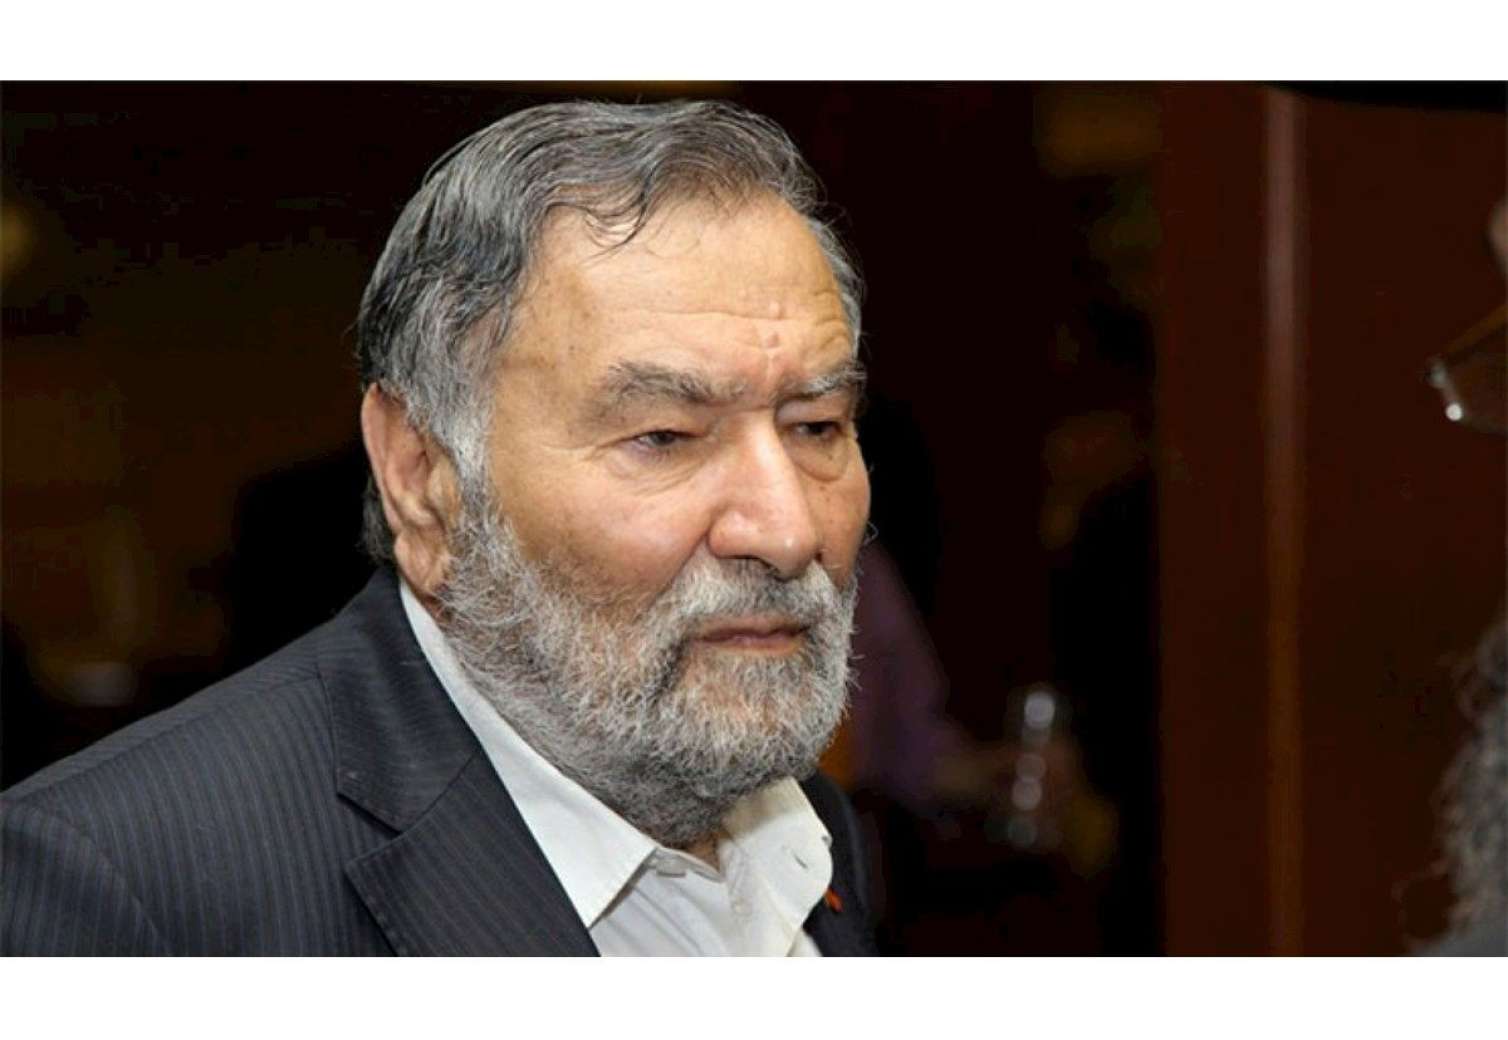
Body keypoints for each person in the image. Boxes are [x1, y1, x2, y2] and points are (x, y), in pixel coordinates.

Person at [0, 100, 877, 956]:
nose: (788, 529)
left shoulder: (806, 828)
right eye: (665, 437)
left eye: (816, 426)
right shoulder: (117, 891)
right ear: (423, 481)